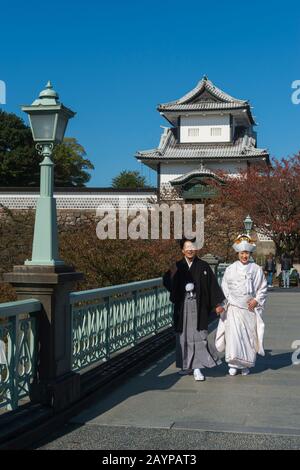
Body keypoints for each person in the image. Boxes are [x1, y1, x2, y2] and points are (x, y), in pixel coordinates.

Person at [163, 237, 225, 382]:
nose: (190, 249)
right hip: (183, 305)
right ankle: (187, 366)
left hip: (199, 305)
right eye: (187, 247)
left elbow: (212, 285)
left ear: (196, 249)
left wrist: (217, 304)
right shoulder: (177, 266)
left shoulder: (203, 266)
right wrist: (178, 289)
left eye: (193, 247)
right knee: (183, 336)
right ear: (182, 250)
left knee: (199, 336)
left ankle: (198, 367)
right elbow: (166, 280)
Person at [215, 234, 268, 376]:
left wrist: (256, 300)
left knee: (248, 337)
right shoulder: (230, 269)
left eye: (247, 253)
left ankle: (245, 364)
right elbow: (225, 287)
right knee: (233, 336)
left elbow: (262, 287)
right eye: (242, 253)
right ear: (238, 253)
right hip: (233, 307)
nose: (245, 256)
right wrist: (225, 304)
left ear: (250, 254)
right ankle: (233, 364)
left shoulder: (256, 269)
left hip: (248, 308)